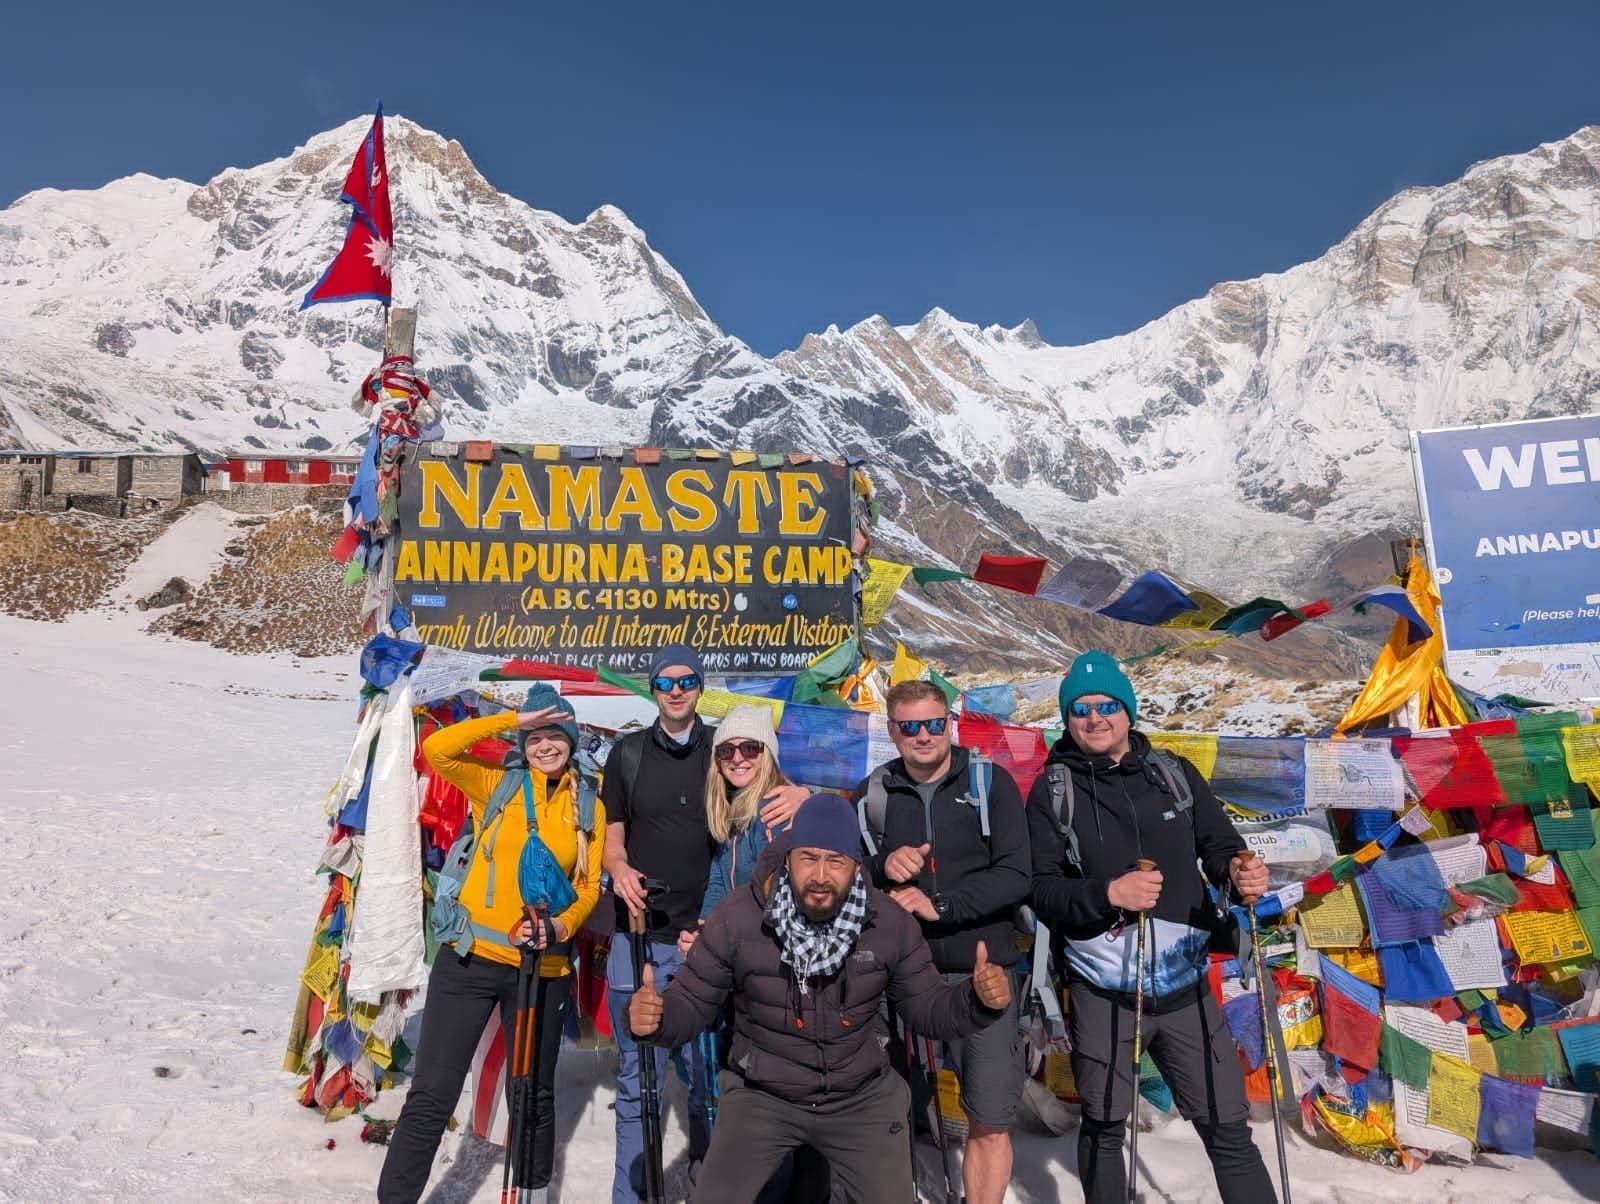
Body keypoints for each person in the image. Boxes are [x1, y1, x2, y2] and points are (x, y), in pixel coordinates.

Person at [628, 794, 1014, 1203]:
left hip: (859, 1095)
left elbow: (928, 1008)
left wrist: (977, 1001)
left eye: (836, 861)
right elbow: (693, 998)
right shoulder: (739, 916)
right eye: (809, 858)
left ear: (855, 866)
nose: (821, 875)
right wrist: (657, 1020)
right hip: (764, 1094)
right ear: (788, 858)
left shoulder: (887, 922)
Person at [1026, 650, 1274, 1204]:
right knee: (1106, 1128)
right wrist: (1106, 894)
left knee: (1228, 1126)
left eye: (1107, 705)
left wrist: (1239, 869)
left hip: (1185, 991)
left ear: (1128, 711)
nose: (1095, 719)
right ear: (1067, 719)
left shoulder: (1174, 775)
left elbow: (1218, 845)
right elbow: (1041, 889)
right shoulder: (1053, 792)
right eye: (1081, 709)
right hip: (1104, 992)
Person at [379, 684, 604, 1204]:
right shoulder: (495, 785)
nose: (546, 745)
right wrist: (511, 721)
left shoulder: (589, 803)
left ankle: (528, 1195)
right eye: (536, 736)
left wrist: (562, 928)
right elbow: (437, 750)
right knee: (432, 1094)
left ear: (572, 739)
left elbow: (590, 885)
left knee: (531, 1096)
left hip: (542, 968)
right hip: (470, 960)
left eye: (556, 735)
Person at [601, 644, 807, 1202]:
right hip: (642, 936)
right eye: (664, 681)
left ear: (698, 684)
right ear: (651, 687)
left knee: (709, 1076)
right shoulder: (627, 754)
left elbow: (782, 794)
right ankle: (633, 1194)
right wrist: (617, 868)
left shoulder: (723, 747)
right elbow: (611, 838)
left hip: (714, 949)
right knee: (637, 1079)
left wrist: (807, 796)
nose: (675, 690)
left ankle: (709, 1182)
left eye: (686, 679)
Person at [853, 679, 1031, 1204]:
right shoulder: (873, 795)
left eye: (934, 723)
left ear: (949, 722)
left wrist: (943, 905)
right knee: (886, 1115)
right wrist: (881, 866)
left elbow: (1017, 873)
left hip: (985, 974)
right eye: (910, 726)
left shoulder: (989, 783)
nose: (924, 735)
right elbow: (843, 876)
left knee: (991, 1119)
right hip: (902, 978)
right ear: (893, 731)